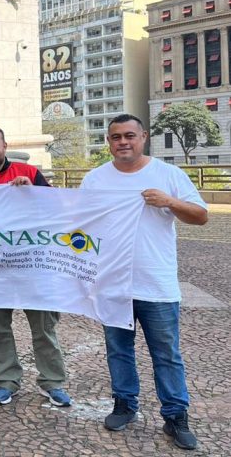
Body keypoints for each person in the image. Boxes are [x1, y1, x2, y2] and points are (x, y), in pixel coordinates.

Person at [81, 114, 207, 451]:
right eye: (116, 137)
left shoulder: (167, 175)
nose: (123, 142)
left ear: (144, 137)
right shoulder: (95, 180)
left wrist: (170, 202)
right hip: (112, 285)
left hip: (156, 283)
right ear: (108, 142)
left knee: (166, 354)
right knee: (118, 351)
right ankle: (125, 403)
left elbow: (201, 215)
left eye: (130, 136)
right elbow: (76, 222)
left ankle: (176, 415)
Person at [0, 126, 71, 407]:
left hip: (32, 267)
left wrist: (33, 192)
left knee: (44, 328)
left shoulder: (30, 174)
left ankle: (52, 382)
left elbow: (56, 211)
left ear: (5, 145)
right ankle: (7, 380)